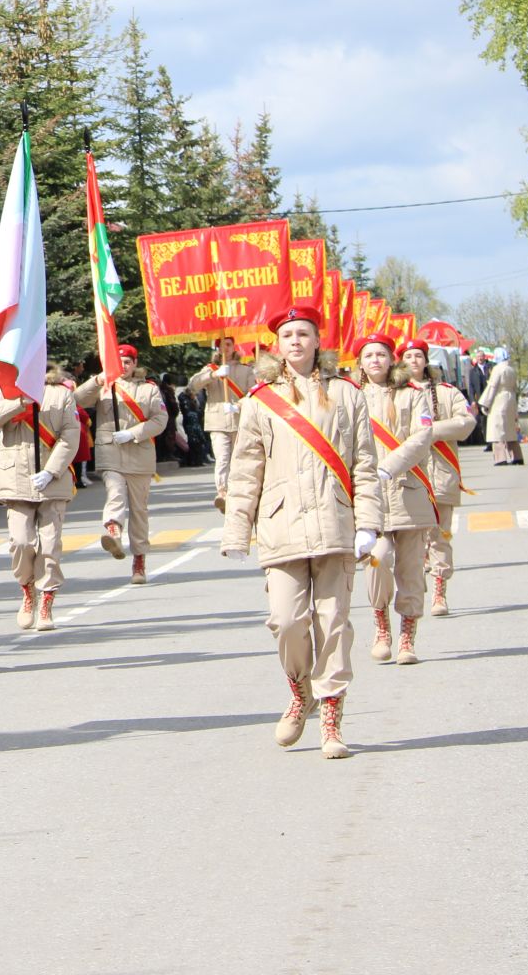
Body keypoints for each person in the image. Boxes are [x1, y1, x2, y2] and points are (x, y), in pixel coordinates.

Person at [220, 306, 379, 760]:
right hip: (281, 524)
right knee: (286, 621)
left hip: (335, 522)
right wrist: (236, 531)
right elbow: (245, 471)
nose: (295, 341)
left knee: (333, 623)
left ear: (316, 341)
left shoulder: (347, 395)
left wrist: (368, 522)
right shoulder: (259, 401)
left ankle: (331, 717)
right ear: (277, 343)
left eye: (303, 333)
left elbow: (363, 464)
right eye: (287, 334)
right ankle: (300, 691)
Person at [353, 336, 460, 667]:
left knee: (412, 570)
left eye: (381, 354)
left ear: (391, 359)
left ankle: (407, 637)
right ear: (360, 362)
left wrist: (388, 466)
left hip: (409, 493)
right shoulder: (350, 397)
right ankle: (381, 625)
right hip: (371, 500)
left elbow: (422, 437)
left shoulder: (412, 395)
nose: (375, 360)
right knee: (377, 561)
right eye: (368, 355)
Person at [0, 361, 82, 633]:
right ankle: (28, 589)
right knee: (20, 542)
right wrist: (18, 402)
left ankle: (46, 600)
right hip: (15, 476)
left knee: (50, 545)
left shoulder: (61, 393)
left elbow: (70, 435)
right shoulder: (5, 392)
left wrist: (52, 470)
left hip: (52, 479)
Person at [75, 344, 170, 583]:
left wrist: (134, 433)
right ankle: (113, 528)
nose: (124, 366)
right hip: (112, 452)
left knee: (139, 510)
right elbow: (76, 400)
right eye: (119, 362)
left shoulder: (149, 389)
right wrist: (97, 379)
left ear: (135, 364)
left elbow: (160, 419)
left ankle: (139, 560)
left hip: (140, 454)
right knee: (115, 492)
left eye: (128, 362)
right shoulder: (105, 386)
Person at [402, 339, 477, 616]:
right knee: (412, 539)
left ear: (426, 360)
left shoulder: (446, 392)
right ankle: (413, 588)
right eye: (408, 356)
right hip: (408, 477)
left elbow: (466, 422)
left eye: (418, 355)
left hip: (440, 474)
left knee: (440, 536)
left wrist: (431, 431)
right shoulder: (394, 393)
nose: (414, 361)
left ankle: (439, 590)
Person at [189, 336, 255, 509]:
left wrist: (238, 406)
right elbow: (193, 385)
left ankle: (241, 491)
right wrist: (213, 375)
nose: (225, 348)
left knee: (240, 458)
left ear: (234, 347)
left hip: (240, 421)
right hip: (218, 422)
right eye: (221, 345)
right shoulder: (210, 369)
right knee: (223, 458)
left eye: (228, 344)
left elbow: (253, 394)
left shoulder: (245, 370)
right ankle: (223, 492)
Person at [479, 346, 523, 464]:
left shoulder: (498, 369)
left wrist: (485, 403)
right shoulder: (511, 369)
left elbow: (492, 386)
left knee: (496, 429)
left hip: (499, 399)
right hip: (511, 399)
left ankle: (500, 458)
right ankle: (517, 456)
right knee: (510, 430)